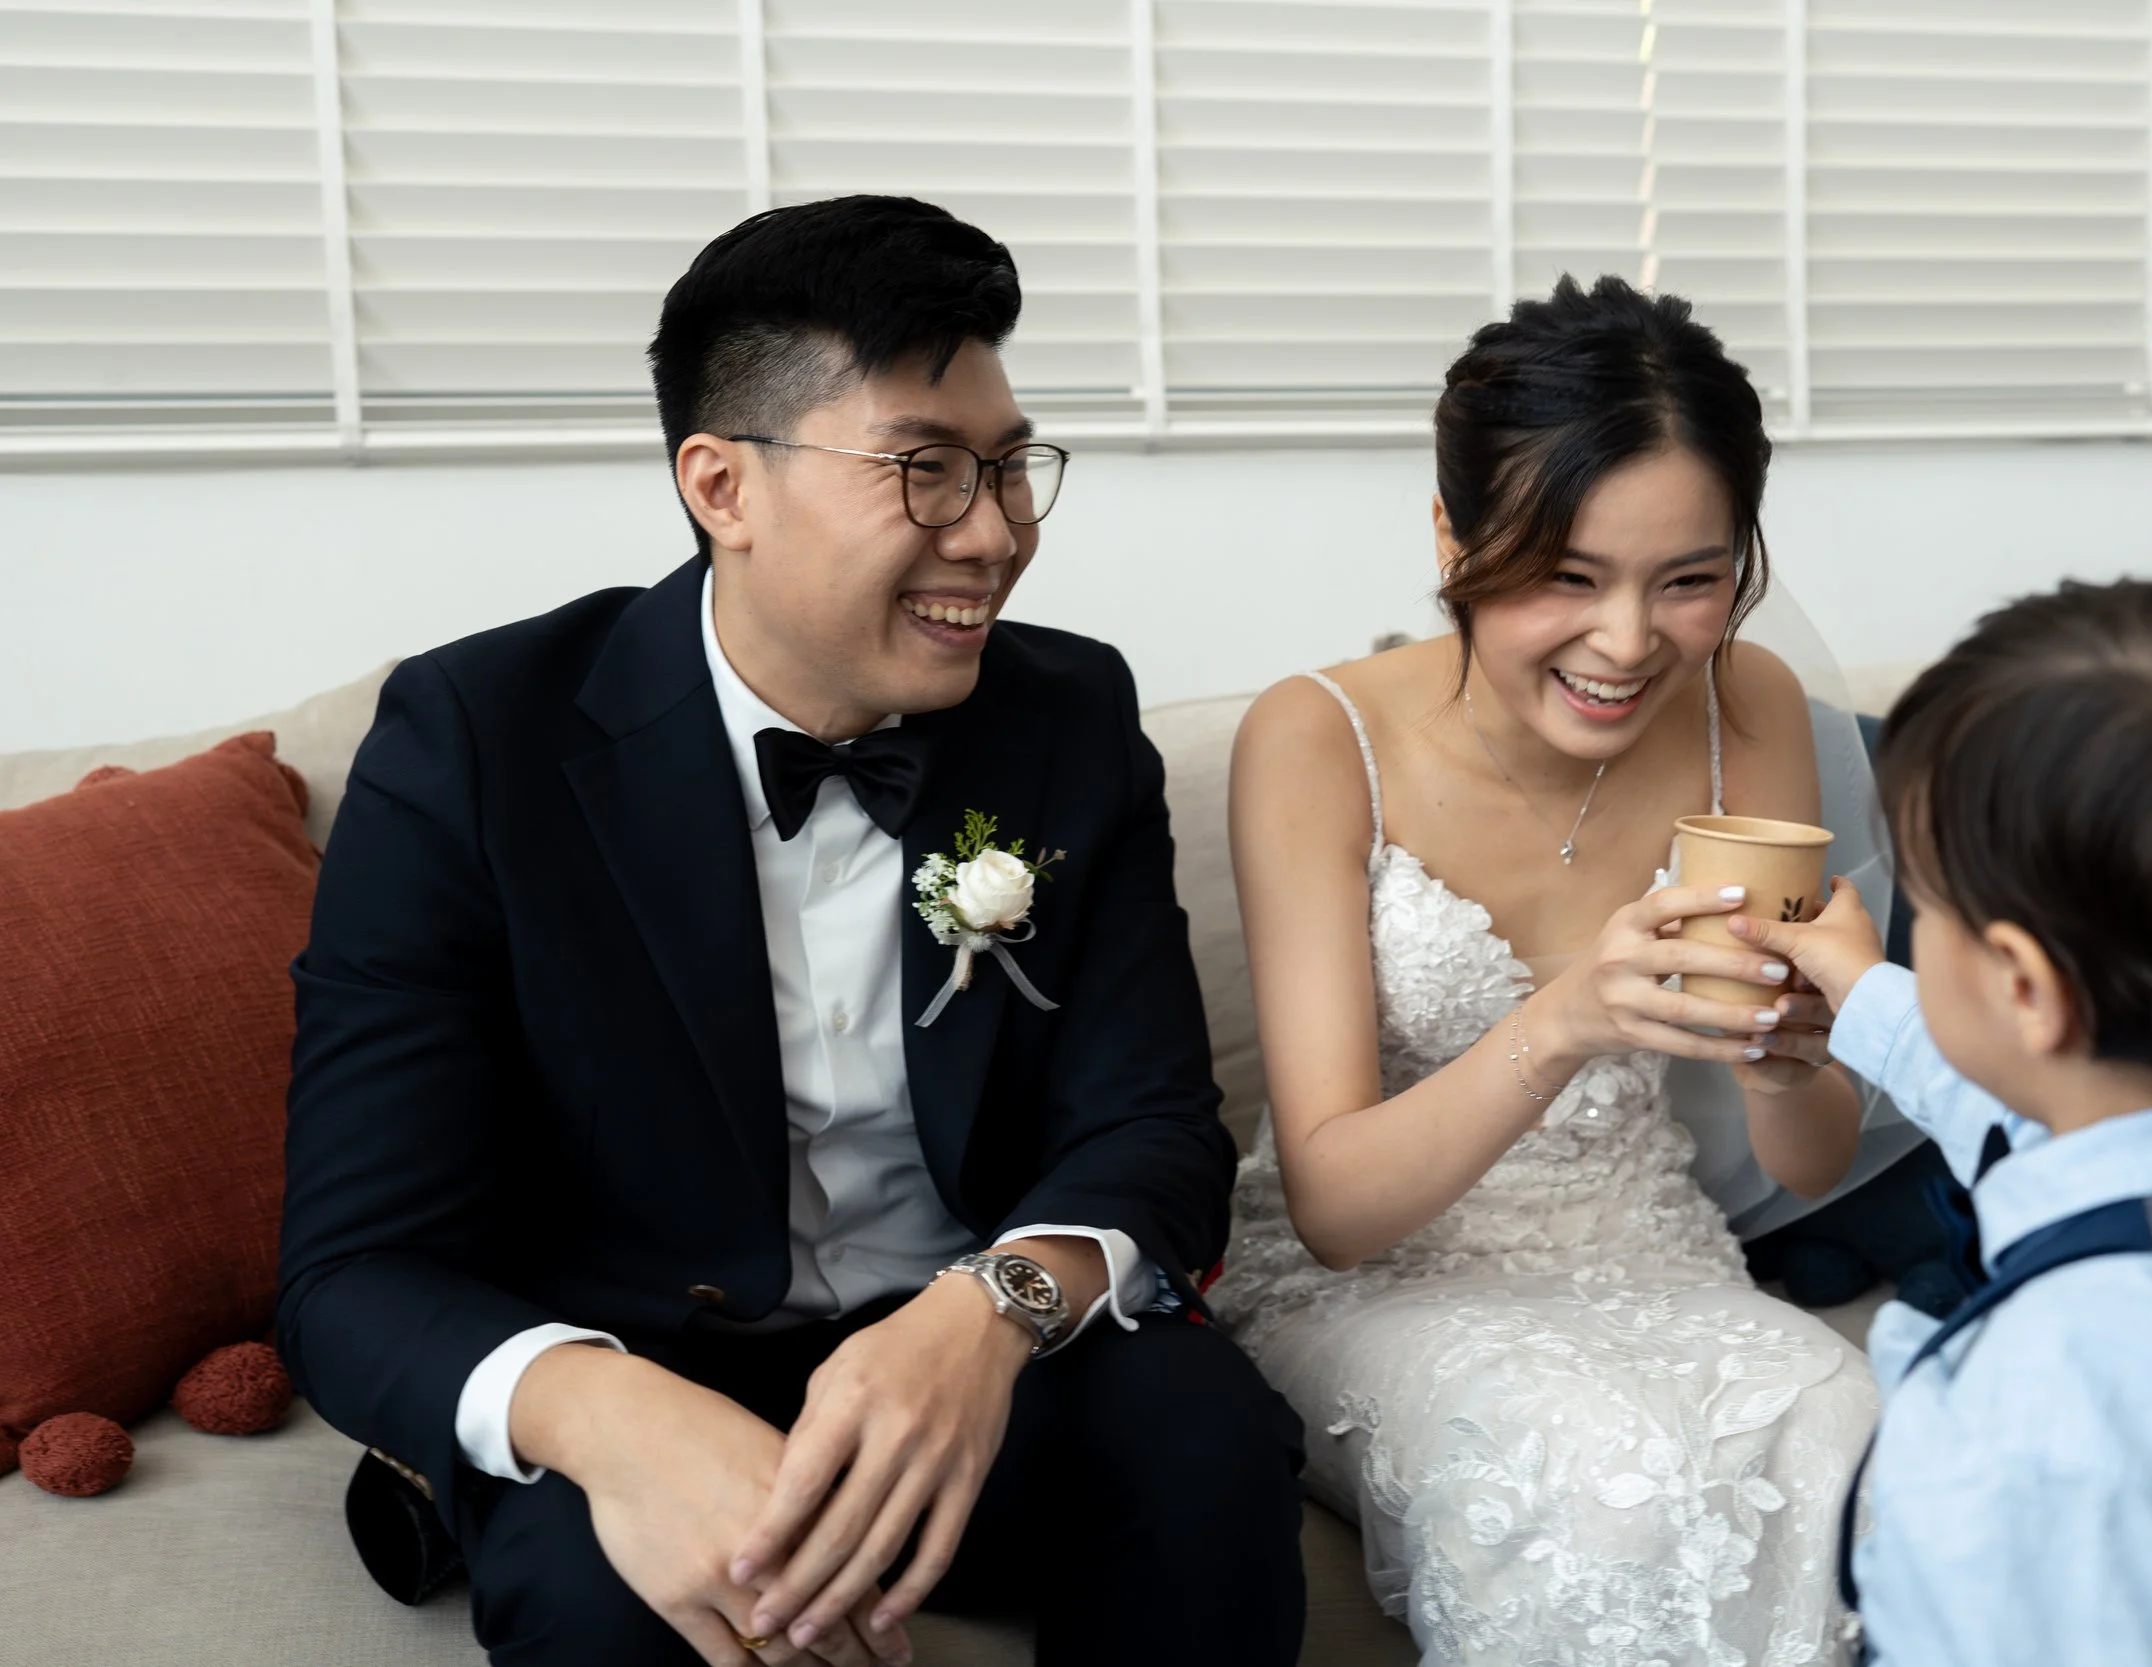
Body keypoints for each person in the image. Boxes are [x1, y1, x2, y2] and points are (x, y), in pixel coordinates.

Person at [278, 196, 1306, 1667]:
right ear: (723, 485)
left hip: (959, 1350)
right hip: (630, 1366)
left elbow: (1154, 1128)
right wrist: (613, 1418)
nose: (998, 532)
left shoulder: (1067, 716)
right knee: (599, 1605)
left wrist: (990, 1310)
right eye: (926, 471)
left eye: (1014, 469)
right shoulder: (474, 743)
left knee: (1201, 1442)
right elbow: (349, 1267)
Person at [1214, 275, 1881, 1666]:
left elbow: (1809, 1160)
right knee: (1589, 1461)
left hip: (1652, 1249)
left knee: (1833, 1410)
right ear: (1453, 534)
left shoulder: (1744, 702)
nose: (1629, 641)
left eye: (1688, 579)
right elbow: (1336, 1206)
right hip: (1370, 1279)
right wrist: (1568, 1016)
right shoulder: (1315, 735)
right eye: (1566, 576)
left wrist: (1800, 1035)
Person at [1733, 578, 2152, 1664]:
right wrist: (1861, 984)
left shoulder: (2074, 1380)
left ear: (2021, 985)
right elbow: (2001, 1104)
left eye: (1930, 902)